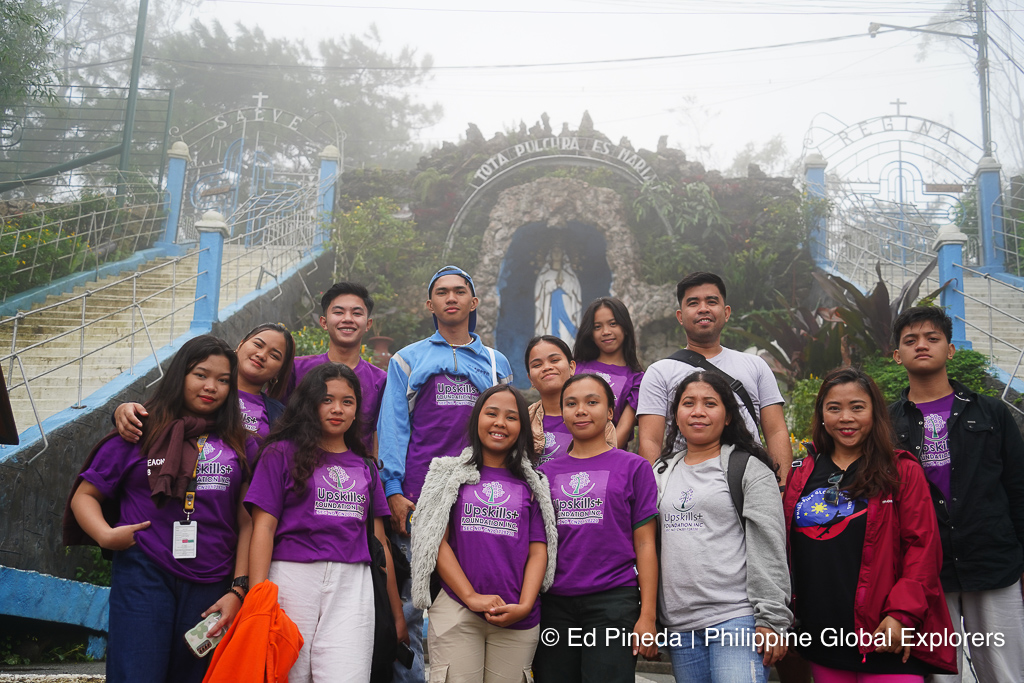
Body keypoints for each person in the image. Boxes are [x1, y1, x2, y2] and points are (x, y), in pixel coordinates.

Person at [65, 335, 255, 683]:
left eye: (223, 380)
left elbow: (247, 522)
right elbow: (85, 495)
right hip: (144, 571)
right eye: (201, 374)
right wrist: (106, 536)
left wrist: (237, 591)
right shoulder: (140, 430)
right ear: (180, 374)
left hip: (212, 581)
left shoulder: (240, 442)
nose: (211, 386)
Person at [377, 265, 513, 682]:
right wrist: (394, 490)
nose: (451, 298)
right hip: (420, 499)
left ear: (474, 303)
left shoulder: (495, 362)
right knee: (417, 604)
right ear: (430, 304)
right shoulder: (408, 359)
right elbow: (393, 428)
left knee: (472, 597)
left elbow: (507, 428)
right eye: (442, 292)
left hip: (479, 500)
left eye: (459, 292)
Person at [784, 367, 956, 682]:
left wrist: (901, 615)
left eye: (857, 407)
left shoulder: (901, 470)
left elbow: (922, 549)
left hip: (885, 634)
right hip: (824, 634)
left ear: (874, 413)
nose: (845, 417)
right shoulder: (802, 472)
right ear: (822, 414)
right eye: (834, 408)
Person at [888, 306, 1024, 683]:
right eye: (910, 340)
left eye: (933, 338)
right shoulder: (885, 423)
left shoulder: (992, 414)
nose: (922, 346)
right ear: (897, 355)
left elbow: (1018, 489)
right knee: (939, 676)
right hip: (924, 571)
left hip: (993, 562)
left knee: (1006, 673)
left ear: (950, 349)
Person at [246, 363, 405, 683]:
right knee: (288, 675)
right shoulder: (279, 454)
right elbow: (263, 528)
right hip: (291, 579)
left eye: (347, 401)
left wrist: (396, 612)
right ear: (309, 403)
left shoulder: (366, 466)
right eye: (327, 399)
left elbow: (379, 543)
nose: (337, 409)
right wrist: (256, 601)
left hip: (353, 585)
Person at [410, 385, 557, 683]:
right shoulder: (446, 473)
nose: (500, 423)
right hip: (457, 609)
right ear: (477, 419)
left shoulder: (534, 483)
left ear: (522, 427)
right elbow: (434, 541)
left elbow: (539, 549)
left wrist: (526, 604)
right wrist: (471, 596)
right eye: (491, 413)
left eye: (511, 417)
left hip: (517, 615)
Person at [654, 371, 791, 682]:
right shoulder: (660, 472)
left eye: (710, 403)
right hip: (680, 626)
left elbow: (768, 544)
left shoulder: (749, 468)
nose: (698, 411)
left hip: (737, 618)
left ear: (728, 416)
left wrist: (771, 619)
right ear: (676, 414)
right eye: (688, 403)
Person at [533, 373, 659, 683]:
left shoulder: (634, 467)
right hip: (554, 604)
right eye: (571, 403)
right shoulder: (544, 473)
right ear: (561, 412)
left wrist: (648, 616)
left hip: (613, 602)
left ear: (611, 411)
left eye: (592, 402)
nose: (581, 410)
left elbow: (645, 544)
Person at [636, 272, 790, 477]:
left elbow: (776, 431)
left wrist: (781, 486)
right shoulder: (660, 372)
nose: (703, 309)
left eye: (711, 301)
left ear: (726, 312)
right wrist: (653, 492)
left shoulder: (755, 366)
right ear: (680, 317)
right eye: (693, 303)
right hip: (683, 487)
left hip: (749, 481)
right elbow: (650, 441)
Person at [112, 323, 295, 443]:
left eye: (274, 355)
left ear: (280, 370)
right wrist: (123, 411)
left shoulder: (279, 416)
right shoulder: (198, 392)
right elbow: (159, 412)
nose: (261, 355)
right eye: (258, 344)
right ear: (240, 345)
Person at [286, 282, 387, 455]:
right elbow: (279, 417)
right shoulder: (296, 368)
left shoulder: (380, 379)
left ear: (368, 324)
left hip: (355, 475)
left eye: (356, 313)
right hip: (299, 468)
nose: (347, 319)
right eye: (339, 312)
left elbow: (378, 434)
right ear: (324, 322)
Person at [525, 335, 614, 464]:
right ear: (530, 379)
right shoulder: (523, 421)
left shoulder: (596, 419)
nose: (547, 367)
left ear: (572, 367)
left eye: (554, 360)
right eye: (537, 364)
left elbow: (608, 468)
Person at [573, 297, 644, 448]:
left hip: (607, 461)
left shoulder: (637, 379)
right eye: (597, 327)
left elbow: (623, 430)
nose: (606, 332)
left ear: (625, 328)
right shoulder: (575, 368)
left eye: (613, 324)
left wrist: (597, 458)